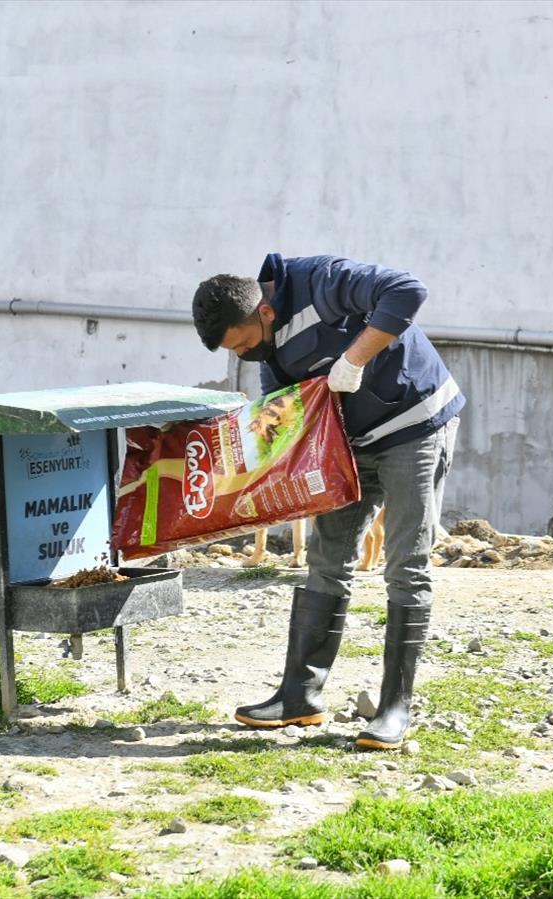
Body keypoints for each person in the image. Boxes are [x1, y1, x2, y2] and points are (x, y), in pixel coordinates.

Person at [191, 254, 463, 751]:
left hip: (414, 426)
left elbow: (407, 289)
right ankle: (300, 696)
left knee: (406, 564)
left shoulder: (321, 282)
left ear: (265, 313)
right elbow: (286, 408)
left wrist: (354, 358)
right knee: (325, 561)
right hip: (350, 443)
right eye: (235, 352)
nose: (246, 355)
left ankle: (394, 709)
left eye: (246, 343)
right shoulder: (266, 351)